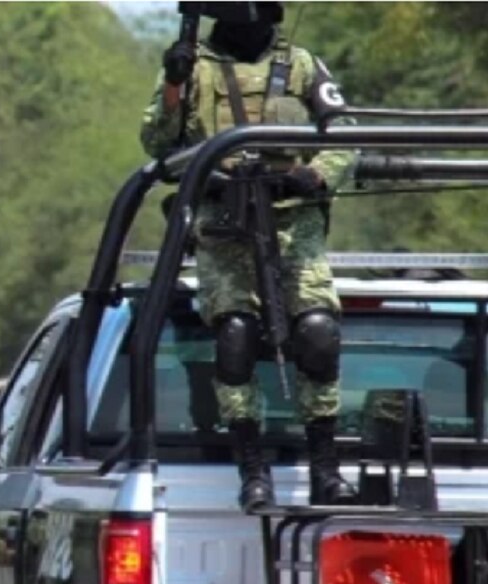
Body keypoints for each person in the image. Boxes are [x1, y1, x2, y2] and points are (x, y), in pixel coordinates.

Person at [140, 0, 357, 510]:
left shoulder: (301, 65)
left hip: (292, 221)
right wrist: (174, 87)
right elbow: (157, 144)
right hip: (224, 224)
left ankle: (326, 467)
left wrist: (317, 173)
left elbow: (347, 136)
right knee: (235, 336)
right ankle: (252, 467)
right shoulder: (193, 66)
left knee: (317, 334)